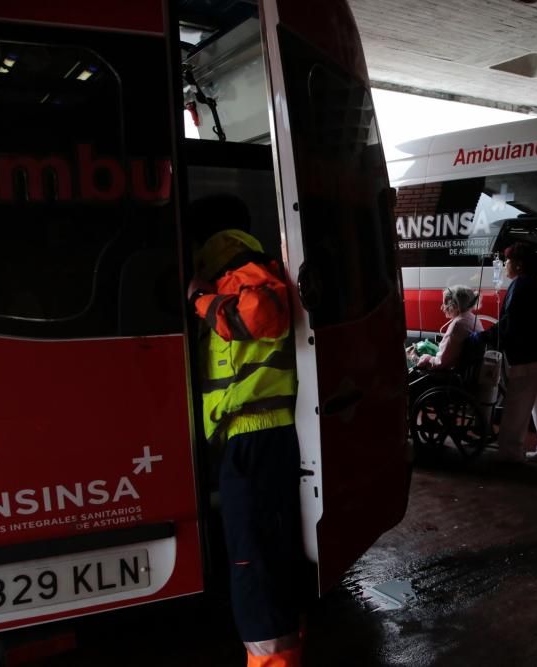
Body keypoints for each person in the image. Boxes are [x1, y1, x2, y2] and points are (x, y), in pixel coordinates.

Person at [187, 207, 304, 667]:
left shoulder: (242, 274)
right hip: (246, 443)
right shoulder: (234, 280)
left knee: (255, 571)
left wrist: (200, 298)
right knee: (261, 567)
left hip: (257, 442)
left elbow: (260, 316)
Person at [488, 242, 537, 463]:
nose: (505, 266)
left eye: (508, 261)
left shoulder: (520, 286)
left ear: (519, 265)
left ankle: (511, 454)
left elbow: (508, 324)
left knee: (517, 405)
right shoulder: (536, 284)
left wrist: (484, 337)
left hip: (528, 357)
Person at [416, 285, 484, 370]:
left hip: (452, 375)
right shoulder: (473, 318)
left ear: (454, 305)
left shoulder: (458, 324)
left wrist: (427, 358)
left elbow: (440, 364)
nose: (442, 308)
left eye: (444, 303)